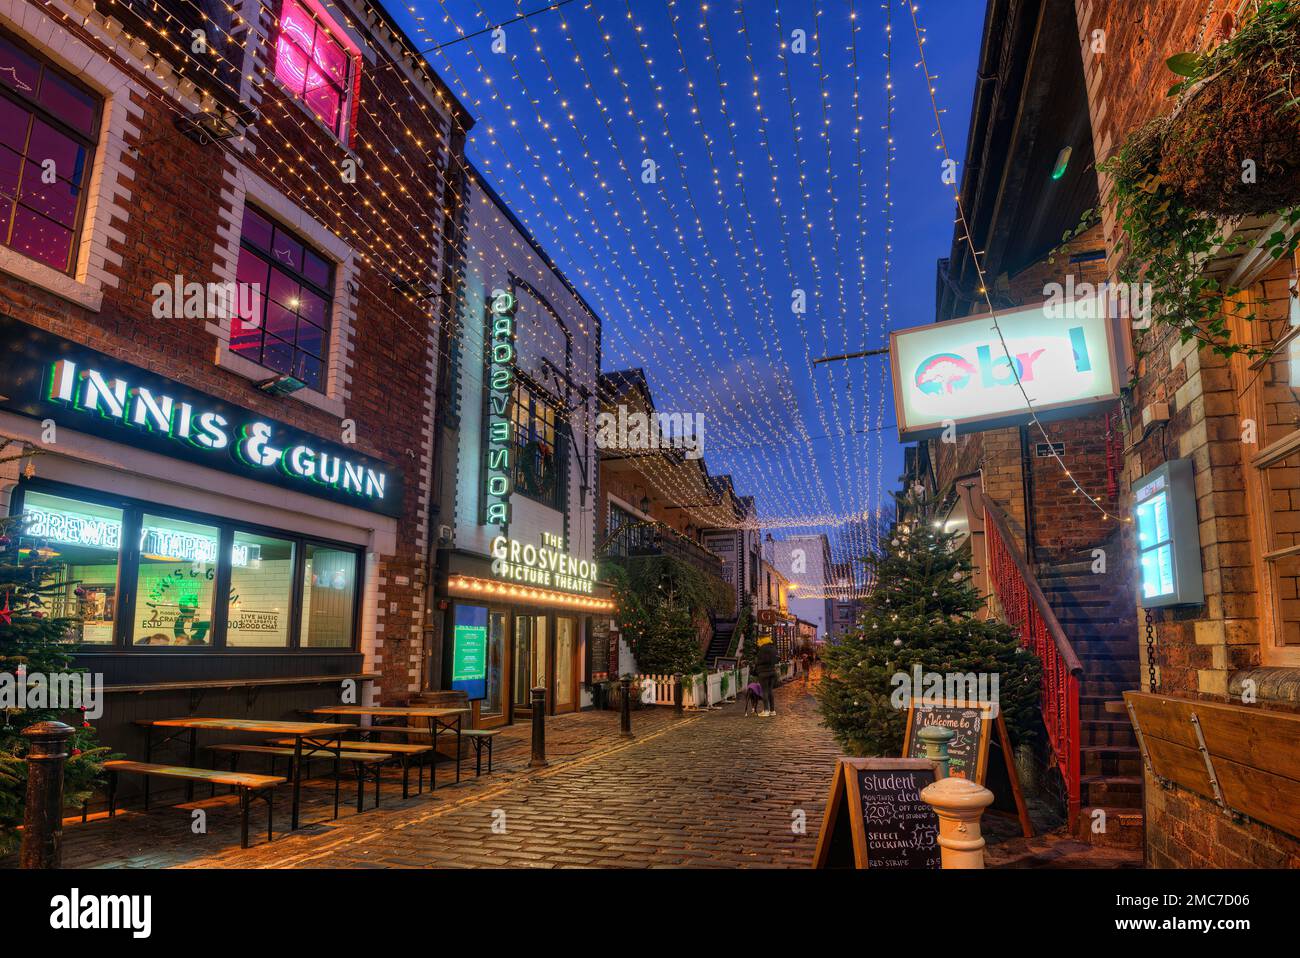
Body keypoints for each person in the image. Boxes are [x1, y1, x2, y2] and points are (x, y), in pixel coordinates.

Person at [754, 635, 778, 716]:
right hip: (772, 672)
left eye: (759, 641)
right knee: (770, 691)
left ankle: (766, 710)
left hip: (763, 673)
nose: (758, 642)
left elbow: (760, 661)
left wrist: (756, 665)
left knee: (765, 691)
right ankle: (772, 710)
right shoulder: (773, 648)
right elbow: (776, 659)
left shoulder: (762, 649)